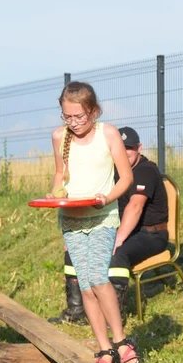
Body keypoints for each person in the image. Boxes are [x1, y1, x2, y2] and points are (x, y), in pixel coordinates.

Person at [49, 81, 140, 363]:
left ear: (94, 111)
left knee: (100, 279)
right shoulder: (59, 137)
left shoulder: (108, 133)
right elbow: (60, 175)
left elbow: (124, 178)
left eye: (79, 117)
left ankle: (121, 342)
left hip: (102, 217)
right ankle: (104, 350)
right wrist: (56, 193)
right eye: (67, 117)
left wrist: (107, 198)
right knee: (86, 286)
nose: (73, 123)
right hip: (72, 220)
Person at [52, 127, 169, 324]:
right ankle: (76, 312)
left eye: (129, 148)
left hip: (151, 234)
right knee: (72, 250)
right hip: (119, 227)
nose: (125, 153)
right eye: (121, 149)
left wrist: (118, 239)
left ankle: (112, 317)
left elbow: (135, 207)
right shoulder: (110, 171)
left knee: (116, 254)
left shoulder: (146, 170)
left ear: (139, 148)